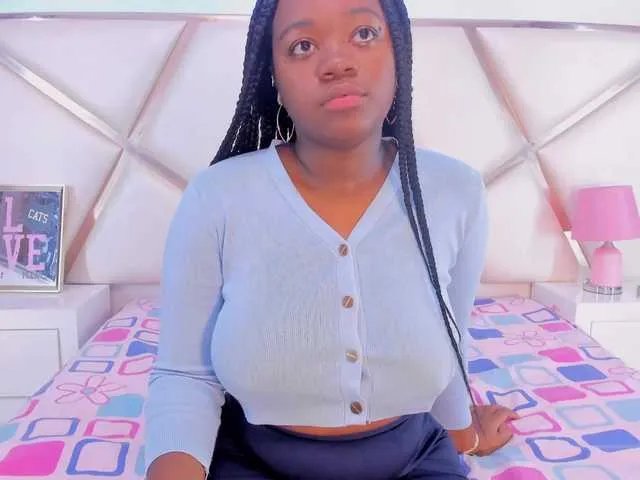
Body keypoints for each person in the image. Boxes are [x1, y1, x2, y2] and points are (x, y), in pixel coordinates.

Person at [144, 1, 518, 479]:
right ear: (274, 76)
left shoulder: (456, 191)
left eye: (364, 34)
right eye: (302, 45)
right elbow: (184, 375)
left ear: (399, 53)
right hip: (255, 462)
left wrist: (465, 435)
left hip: (411, 459)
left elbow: (452, 336)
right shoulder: (216, 197)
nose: (337, 63)